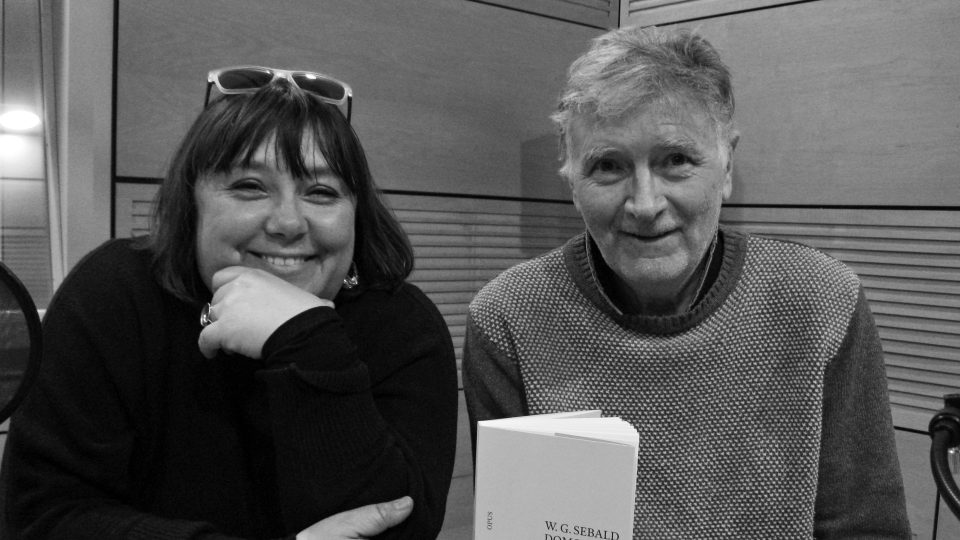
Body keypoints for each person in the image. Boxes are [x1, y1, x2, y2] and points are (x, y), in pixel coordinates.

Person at [462, 26, 910, 538]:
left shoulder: (821, 303)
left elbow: (866, 528)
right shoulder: (508, 319)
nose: (645, 204)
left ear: (727, 165)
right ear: (571, 181)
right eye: (608, 166)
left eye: (675, 160)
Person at [0, 66, 459, 539]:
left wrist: (307, 340)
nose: (287, 223)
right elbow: (43, 518)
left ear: (357, 214)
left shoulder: (403, 325)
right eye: (249, 187)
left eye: (322, 192)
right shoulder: (114, 294)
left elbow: (399, 528)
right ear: (192, 202)